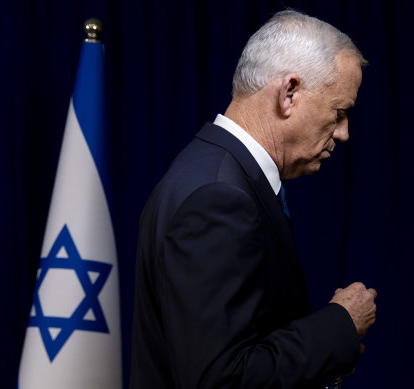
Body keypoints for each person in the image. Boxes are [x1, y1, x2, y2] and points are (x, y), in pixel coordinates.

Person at [130, 9, 377, 389]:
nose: (343, 133)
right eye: (339, 111)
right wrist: (338, 326)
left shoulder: (216, 171)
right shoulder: (219, 197)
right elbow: (220, 380)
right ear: (289, 93)